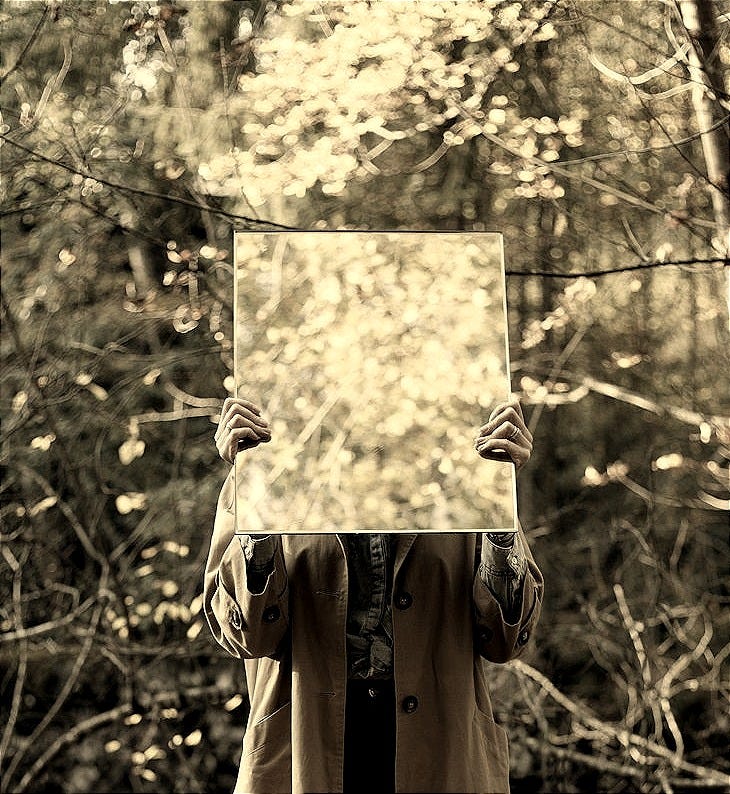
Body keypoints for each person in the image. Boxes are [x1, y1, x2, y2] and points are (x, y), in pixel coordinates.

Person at [204, 396, 543, 794]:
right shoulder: (273, 459)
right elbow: (244, 634)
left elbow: (507, 639)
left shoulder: (462, 464)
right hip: (302, 754)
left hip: (442, 754)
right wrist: (257, 494)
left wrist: (498, 505)